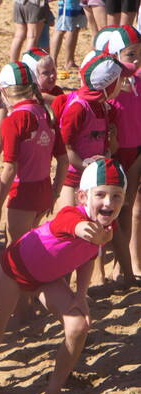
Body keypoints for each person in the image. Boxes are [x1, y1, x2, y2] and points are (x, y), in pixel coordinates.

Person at [0, 157, 123, 394]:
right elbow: (66, 223)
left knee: (78, 327)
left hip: (46, 279)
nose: (108, 202)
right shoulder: (73, 214)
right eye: (101, 194)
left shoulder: (107, 228)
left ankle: (53, 393)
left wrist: (80, 295)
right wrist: (82, 228)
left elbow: (87, 258)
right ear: (82, 197)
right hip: (13, 270)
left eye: (116, 196)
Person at [0, 62, 66, 248]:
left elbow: (11, 167)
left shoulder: (14, 120)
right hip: (43, 189)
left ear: (4, 91)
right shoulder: (46, 113)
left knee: (15, 250)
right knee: (29, 247)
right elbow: (63, 159)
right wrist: (55, 192)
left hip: (23, 192)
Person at [95, 26, 141, 284]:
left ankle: (123, 267)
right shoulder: (106, 86)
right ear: (114, 56)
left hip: (134, 152)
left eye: (139, 55)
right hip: (111, 154)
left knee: (126, 209)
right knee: (104, 212)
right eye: (130, 55)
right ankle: (99, 271)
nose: (136, 61)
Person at [57, 53, 122, 211]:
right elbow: (65, 147)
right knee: (69, 222)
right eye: (120, 81)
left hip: (94, 179)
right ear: (109, 86)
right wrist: (87, 167)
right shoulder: (79, 108)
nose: (123, 84)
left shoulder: (103, 108)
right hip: (72, 178)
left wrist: (104, 159)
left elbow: (108, 148)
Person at [53, 0, 88, 70]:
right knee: (65, 29)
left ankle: (70, 61)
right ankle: (54, 61)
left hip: (79, 3)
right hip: (69, 3)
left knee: (76, 28)